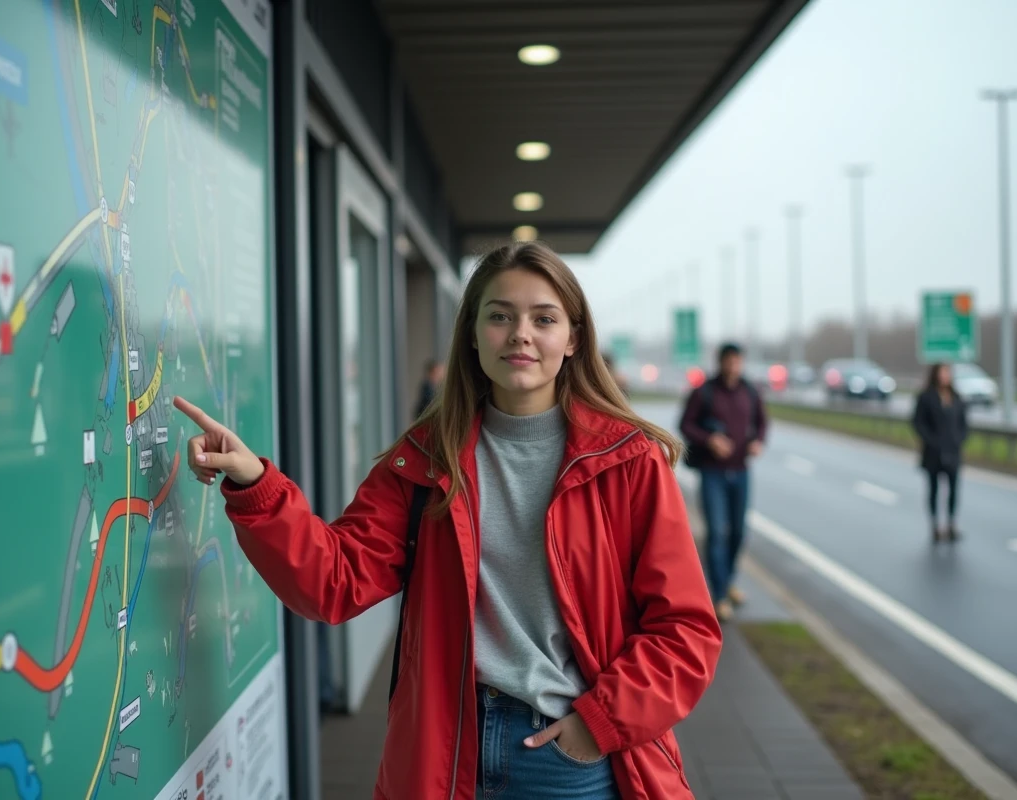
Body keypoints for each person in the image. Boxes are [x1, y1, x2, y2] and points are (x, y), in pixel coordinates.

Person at [174, 241, 721, 799]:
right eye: (500, 315)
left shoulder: (626, 461)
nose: (521, 334)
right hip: (445, 749)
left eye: (544, 318)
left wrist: (595, 726)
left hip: (567, 759)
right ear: (473, 332)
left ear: (573, 339)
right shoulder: (424, 460)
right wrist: (253, 485)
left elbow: (685, 631)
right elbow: (333, 581)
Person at [678, 343, 767, 621]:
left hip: (741, 471)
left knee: (738, 532)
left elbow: (762, 423)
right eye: (728, 361)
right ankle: (718, 595)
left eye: (737, 361)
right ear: (720, 362)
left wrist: (758, 442)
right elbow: (685, 425)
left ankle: (727, 582)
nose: (733, 366)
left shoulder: (750, 391)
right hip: (712, 472)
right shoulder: (704, 391)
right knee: (716, 532)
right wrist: (710, 440)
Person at [911, 362, 969, 543]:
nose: (945, 376)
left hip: (953, 451)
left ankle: (951, 523)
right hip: (933, 452)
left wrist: (959, 439)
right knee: (934, 489)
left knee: (953, 489)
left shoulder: (957, 397)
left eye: (948, 373)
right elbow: (917, 422)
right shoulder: (926, 397)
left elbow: (964, 423)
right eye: (942, 372)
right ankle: (935, 525)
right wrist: (931, 440)